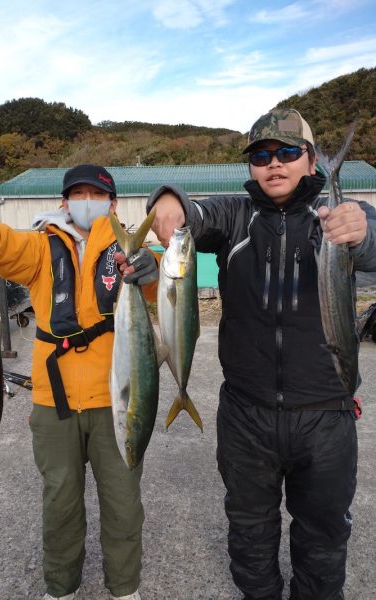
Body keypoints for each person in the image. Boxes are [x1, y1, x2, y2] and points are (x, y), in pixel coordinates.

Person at [145, 109, 376, 600]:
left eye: (288, 152)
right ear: (251, 166)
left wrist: (367, 232)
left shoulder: (344, 217)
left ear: (311, 161)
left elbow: (373, 246)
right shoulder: (234, 216)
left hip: (326, 417)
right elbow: (193, 214)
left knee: (324, 535)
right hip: (245, 415)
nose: (275, 163)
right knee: (249, 531)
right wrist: (168, 197)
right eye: (262, 155)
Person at [0, 164, 159, 600]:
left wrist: (150, 269)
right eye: (76, 194)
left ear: (112, 203)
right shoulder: (41, 247)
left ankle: (125, 588)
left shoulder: (127, 248)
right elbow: (3, 246)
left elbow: (157, 277)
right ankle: (61, 589)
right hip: (53, 400)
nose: (85, 201)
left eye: (95, 194)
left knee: (123, 504)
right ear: (63, 202)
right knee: (59, 504)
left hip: (117, 397)